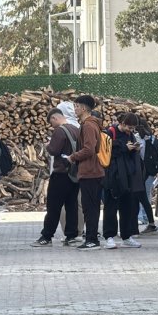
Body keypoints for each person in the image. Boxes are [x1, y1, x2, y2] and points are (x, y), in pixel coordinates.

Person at [31, 108, 80, 247]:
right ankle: (71, 235)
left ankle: (46, 236)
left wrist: (48, 145)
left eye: (51, 122)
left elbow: (54, 150)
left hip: (60, 173)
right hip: (74, 174)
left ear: (54, 118)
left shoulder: (59, 131)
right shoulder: (76, 129)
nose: (51, 125)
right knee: (72, 205)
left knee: (54, 207)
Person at [67, 95, 105, 250]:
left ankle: (92, 239)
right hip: (92, 170)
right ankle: (91, 237)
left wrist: (73, 157)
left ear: (83, 108)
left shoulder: (89, 125)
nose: (74, 109)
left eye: (76, 106)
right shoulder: (90, 124)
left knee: (90, 207)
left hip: (90, 171)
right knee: (91, 206)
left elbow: (89, 149)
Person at [102, 113, 143, 249]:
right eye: (129, 127)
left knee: (128, 207)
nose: (130, 131)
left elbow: (129, 153)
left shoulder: (130, 135)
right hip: (113, 176)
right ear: (123, 123)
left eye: (133, 129)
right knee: (111, 207)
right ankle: (109, 236)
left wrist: (134, 149)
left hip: (128, 176)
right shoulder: (110, 132)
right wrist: (125, 148)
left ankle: (127, 235)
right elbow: (106, 151)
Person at [57, 101, 84, 240]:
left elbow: (55, 149)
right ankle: (79, 231)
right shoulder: (80, 126)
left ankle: (68, 231)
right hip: (80, 170)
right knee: (78, 202)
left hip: (64, 169)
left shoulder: (62, 128)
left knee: (63, 202)